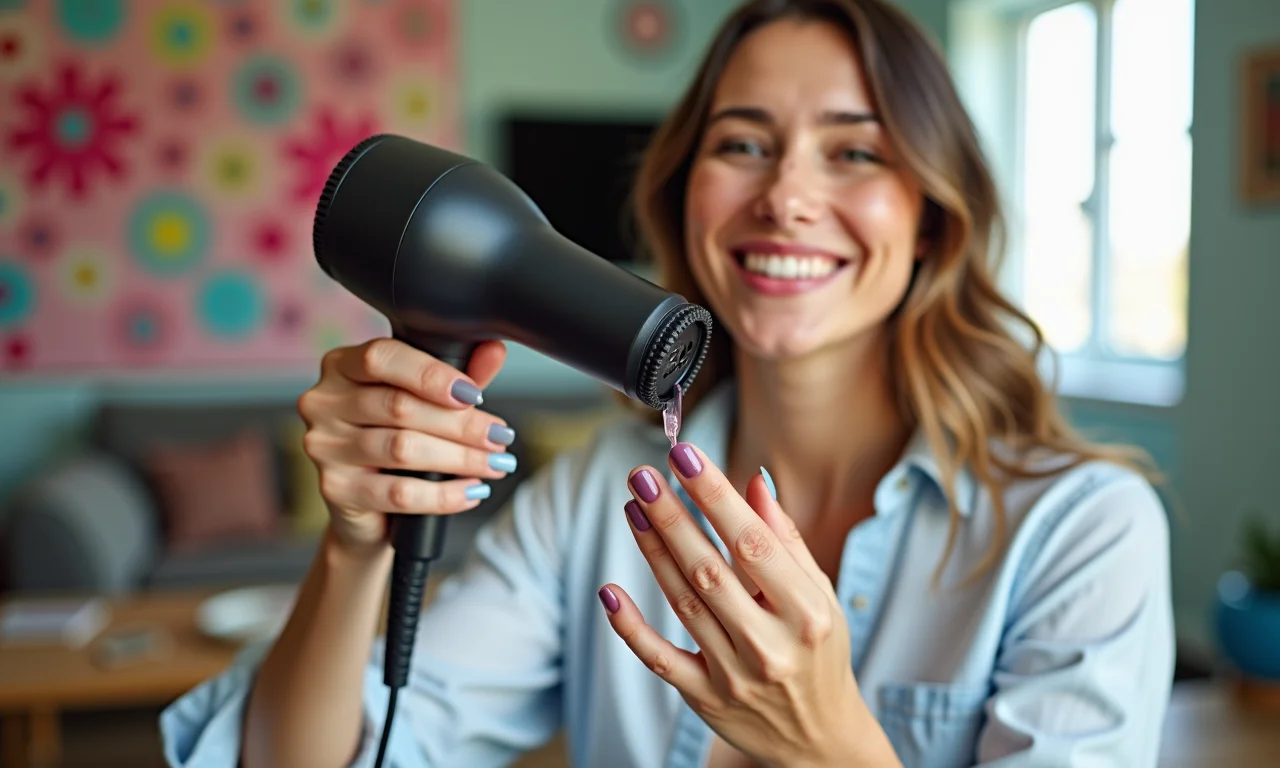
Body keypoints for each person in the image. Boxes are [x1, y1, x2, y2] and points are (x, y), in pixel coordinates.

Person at [159, 0, 1175, 766]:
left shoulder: (1080, 533)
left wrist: (824, 738)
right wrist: (355, 547)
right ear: (685, 194)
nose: (784, 196)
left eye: (853, 150)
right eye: (741, 143)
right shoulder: (598, 499)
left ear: (929, 222)